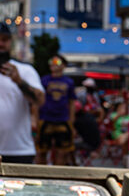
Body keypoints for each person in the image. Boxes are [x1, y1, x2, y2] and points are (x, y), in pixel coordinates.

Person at [0, 21, 43, 164]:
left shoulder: (25, 71)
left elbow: (40, 100)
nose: (1, 44)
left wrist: (19, 81)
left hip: (18, 150)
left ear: (11, 42)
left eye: (4, 39)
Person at [36, 55, 76, 165]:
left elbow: (72, 102)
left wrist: (71, 121)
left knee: (62, 152)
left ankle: (58, 178)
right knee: (41, 151)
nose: (52, 63)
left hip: (63, 119)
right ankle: (40, 177)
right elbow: (37, 100)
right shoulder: (44, 80)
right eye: (51, 60)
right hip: (46, 118)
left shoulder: (69, 82)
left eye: (56, 61)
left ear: (63, 65)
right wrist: (35, 118)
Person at [74, 78, 104, 160]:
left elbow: (99, 109)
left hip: (90, 120)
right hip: (90, 119)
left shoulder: (93, 95)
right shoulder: (83, 95)